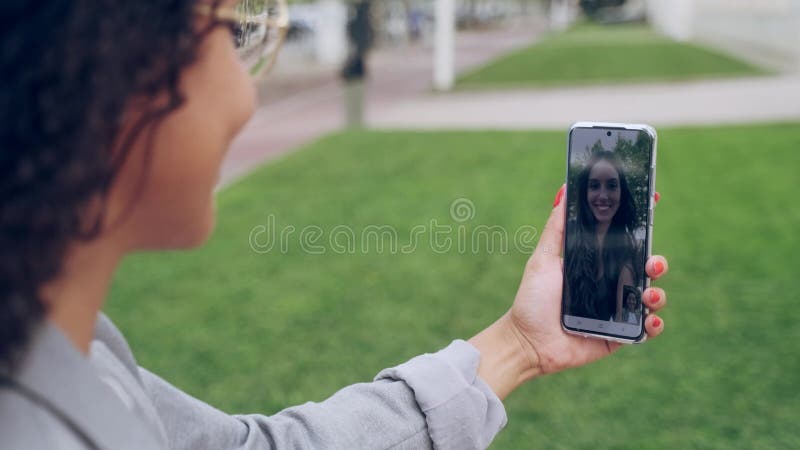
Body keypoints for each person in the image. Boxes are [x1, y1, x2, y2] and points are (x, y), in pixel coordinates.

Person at [0, 1, 670, 449]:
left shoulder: (78, 350)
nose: (246, 91)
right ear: (107, 65)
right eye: (232, 34)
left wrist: (519, 345)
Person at [565, 150, 642, 322]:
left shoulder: (628, 249)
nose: (603, 196)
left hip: (599, 344)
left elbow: (625, 320)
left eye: (612, 185)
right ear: (585, 192)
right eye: (594, 186)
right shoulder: (567, 234)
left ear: (622, 192)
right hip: (561, 337)